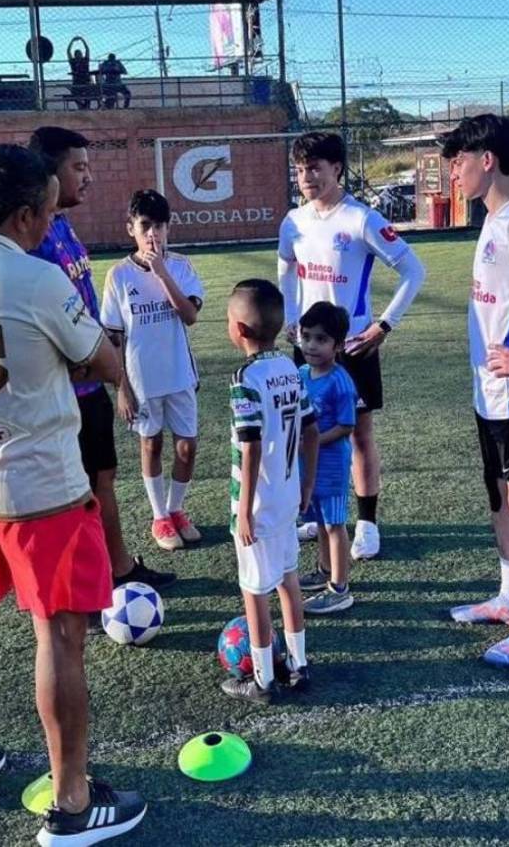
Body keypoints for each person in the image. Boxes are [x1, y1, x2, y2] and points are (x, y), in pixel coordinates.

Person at [0, 144, 147, 846]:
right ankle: (73, 804)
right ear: (24, 214)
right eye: (47, 210)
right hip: (38, 488)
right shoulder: (37, 278)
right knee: (60, 635)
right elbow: (103, 361)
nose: (52, 220)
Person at [29, 129, 176, 601]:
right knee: (71, 493)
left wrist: (111, 376)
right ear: (49, 172)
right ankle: (78, 586)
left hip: (91, 384)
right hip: (60, 391)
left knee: (101, 479)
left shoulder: (62, 225)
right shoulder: (31, 236)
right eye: (79, 167)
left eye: (89, 166)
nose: (88, 176)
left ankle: (119, 568)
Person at [278, 131, 426, 561]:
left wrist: (383, 325)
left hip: (354, 347)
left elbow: (413, 271)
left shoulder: (362, 219)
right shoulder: (293, 221)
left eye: (314, 168)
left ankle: (367, 522)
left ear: (336, 169)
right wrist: (291, 319)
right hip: (306, 346)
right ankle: (311, 510)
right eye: (300, 169)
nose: (305, 177)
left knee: (359, 434)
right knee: (306, 430)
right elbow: (286, 268)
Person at [442, 114, 509, 665]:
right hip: (491, 392)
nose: (454, 171)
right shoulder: (493, 218)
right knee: (499, 495)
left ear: (488, 161)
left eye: (460, 160)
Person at [224, 279, 319, 703]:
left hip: (258, 504)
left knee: (254, 590)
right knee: (287, 579)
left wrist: (243, 510)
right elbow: (312, 429)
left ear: (239, 329)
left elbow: (251, 443)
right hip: (288, 496)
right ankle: (299, 666)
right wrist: (307, 485)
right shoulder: (289, 370)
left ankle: (261, 680)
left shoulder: (245, 378)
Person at [102, 189, 204, 553]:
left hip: (179, 374)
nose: (153, 234)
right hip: (141, 379)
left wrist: (162, 273)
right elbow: (114, 338)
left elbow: (189, 317)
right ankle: (159, 515)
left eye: (159, 226)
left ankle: (177, 509)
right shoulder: (118, 276)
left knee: (187, 446)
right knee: (152, 442)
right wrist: (121, 389)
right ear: (131, 228)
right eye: (145, 226)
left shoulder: (180, 266)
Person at [293, 302, 359, 614]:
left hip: (331, 466)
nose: (311, 345)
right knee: (319, 521)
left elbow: (346, 426)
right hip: (308, 465)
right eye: (306, 337)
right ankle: (323, 570)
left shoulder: (341, 381)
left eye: (321, 339)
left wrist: (313, 440)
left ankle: (340, 588)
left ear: (338, 345)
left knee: (335, 524)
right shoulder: (301, 373)